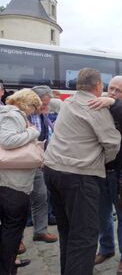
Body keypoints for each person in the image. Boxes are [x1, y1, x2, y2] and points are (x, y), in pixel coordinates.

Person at [43, 68, 121, 275]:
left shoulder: (68, 102)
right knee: (84, 236)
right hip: (78, 175)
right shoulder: (95, 107)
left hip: (52, 170)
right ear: (98, 86)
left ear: (78, 85)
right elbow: (113, 144)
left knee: (67, 230)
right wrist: (98, 161)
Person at [88, 76, 122, 275]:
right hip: (99, 169)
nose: (113, 92)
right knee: (102, 214)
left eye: (118, 91)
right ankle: (107, 248)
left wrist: (114, 103)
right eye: (111, 89)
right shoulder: (99, 106)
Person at [0, 89, 42, 274]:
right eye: (35, 107)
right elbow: (8, 140)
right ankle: (7, 268)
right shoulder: (13, 114)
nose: (35, 112)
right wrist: (33, 133)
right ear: (28, 104)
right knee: (13, 228)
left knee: (9, 227)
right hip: (13, 183)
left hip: (8, 182)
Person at [29, 86, 58, 243]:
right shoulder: (20, 114)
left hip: (38, 162)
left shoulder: (42, 116)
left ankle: (40, 231)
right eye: (43, 104)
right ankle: (16, 239)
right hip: (21, 164)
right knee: (18, 203)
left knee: (41, 196)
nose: (45, 107)